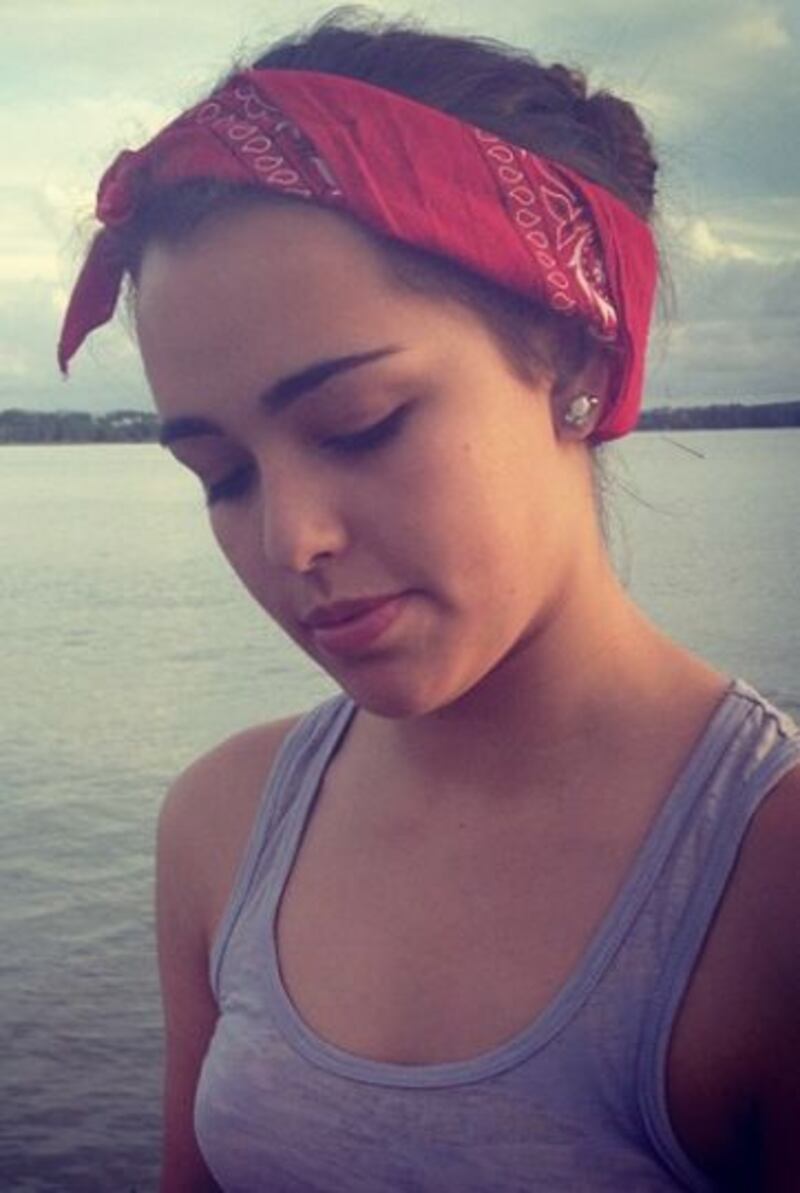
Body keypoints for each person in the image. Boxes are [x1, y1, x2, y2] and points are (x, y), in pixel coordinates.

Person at [58, 8, 800, 1191]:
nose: (289, 538)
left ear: (577, 358)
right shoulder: (221, 823)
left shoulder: (766, 877)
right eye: (221, 474)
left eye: (359, 425)